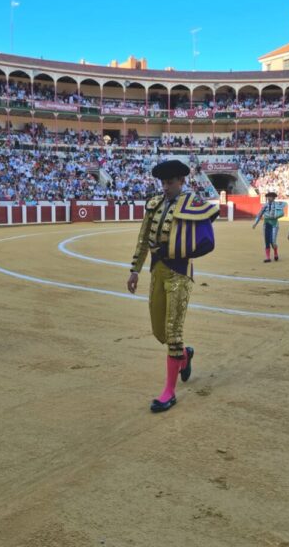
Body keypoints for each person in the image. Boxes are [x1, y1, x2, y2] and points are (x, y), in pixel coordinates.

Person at [126, 160, 218, 413]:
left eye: (170, 183)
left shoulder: (192, 205)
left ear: (182, 182)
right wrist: (135, 270)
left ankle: (169, 392)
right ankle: (184, 356)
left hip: (179, 273)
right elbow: (144, 239)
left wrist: (176, 250)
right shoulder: (154, 205)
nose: (165, 187)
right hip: (157, 271)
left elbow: (206, 242)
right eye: (163, 183)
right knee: (160, 332)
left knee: (173, 333)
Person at [252, 191, 284, 262]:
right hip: (266, 224)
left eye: (271, 197)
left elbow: (282, 213)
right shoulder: (264, 205)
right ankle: (268, 257)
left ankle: (275, 252)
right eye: (268, 197)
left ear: (273, 198)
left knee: (273, 241)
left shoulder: (278, 205)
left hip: (274, 224)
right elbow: (259, 214)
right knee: (267, 240)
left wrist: (275, 216)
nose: (269, 198)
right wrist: (255, 223)